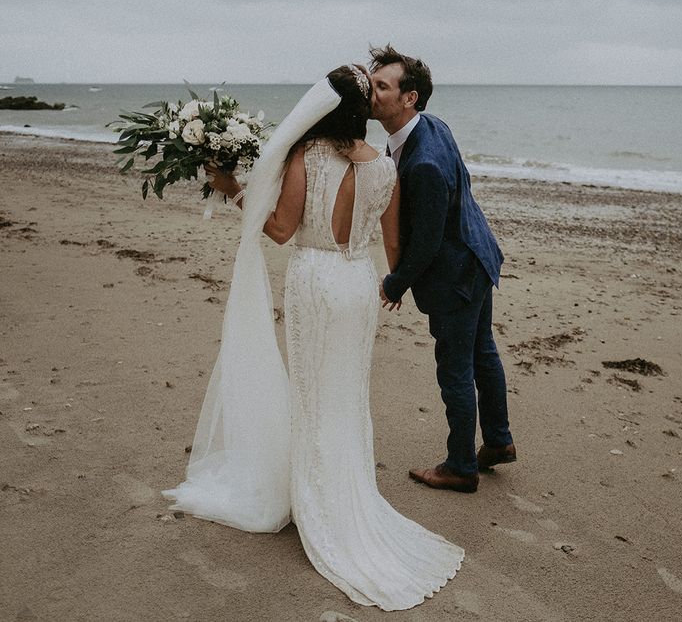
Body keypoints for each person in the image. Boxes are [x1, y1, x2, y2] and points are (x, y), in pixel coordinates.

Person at [164, 65, 463, 611]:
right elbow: (393, 245)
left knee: (312, 392)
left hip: (316, 280)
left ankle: (316, 503)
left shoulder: (309, 157)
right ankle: (345, 498)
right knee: (346, 397)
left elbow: (280, 230)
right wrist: (397, 288)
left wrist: (234, 191)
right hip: (359, 286)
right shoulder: (385, 169)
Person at [371, 45, 516, 494]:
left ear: (409, 98)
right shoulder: (430, 126)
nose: (371, 94)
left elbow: (427, 241)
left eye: (381, 86)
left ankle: (460, 466)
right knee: (482, 353)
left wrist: (395, 282)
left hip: (457, 271)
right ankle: (497, 442)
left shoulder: (425, 162)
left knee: (455, 367)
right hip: (476, 253)